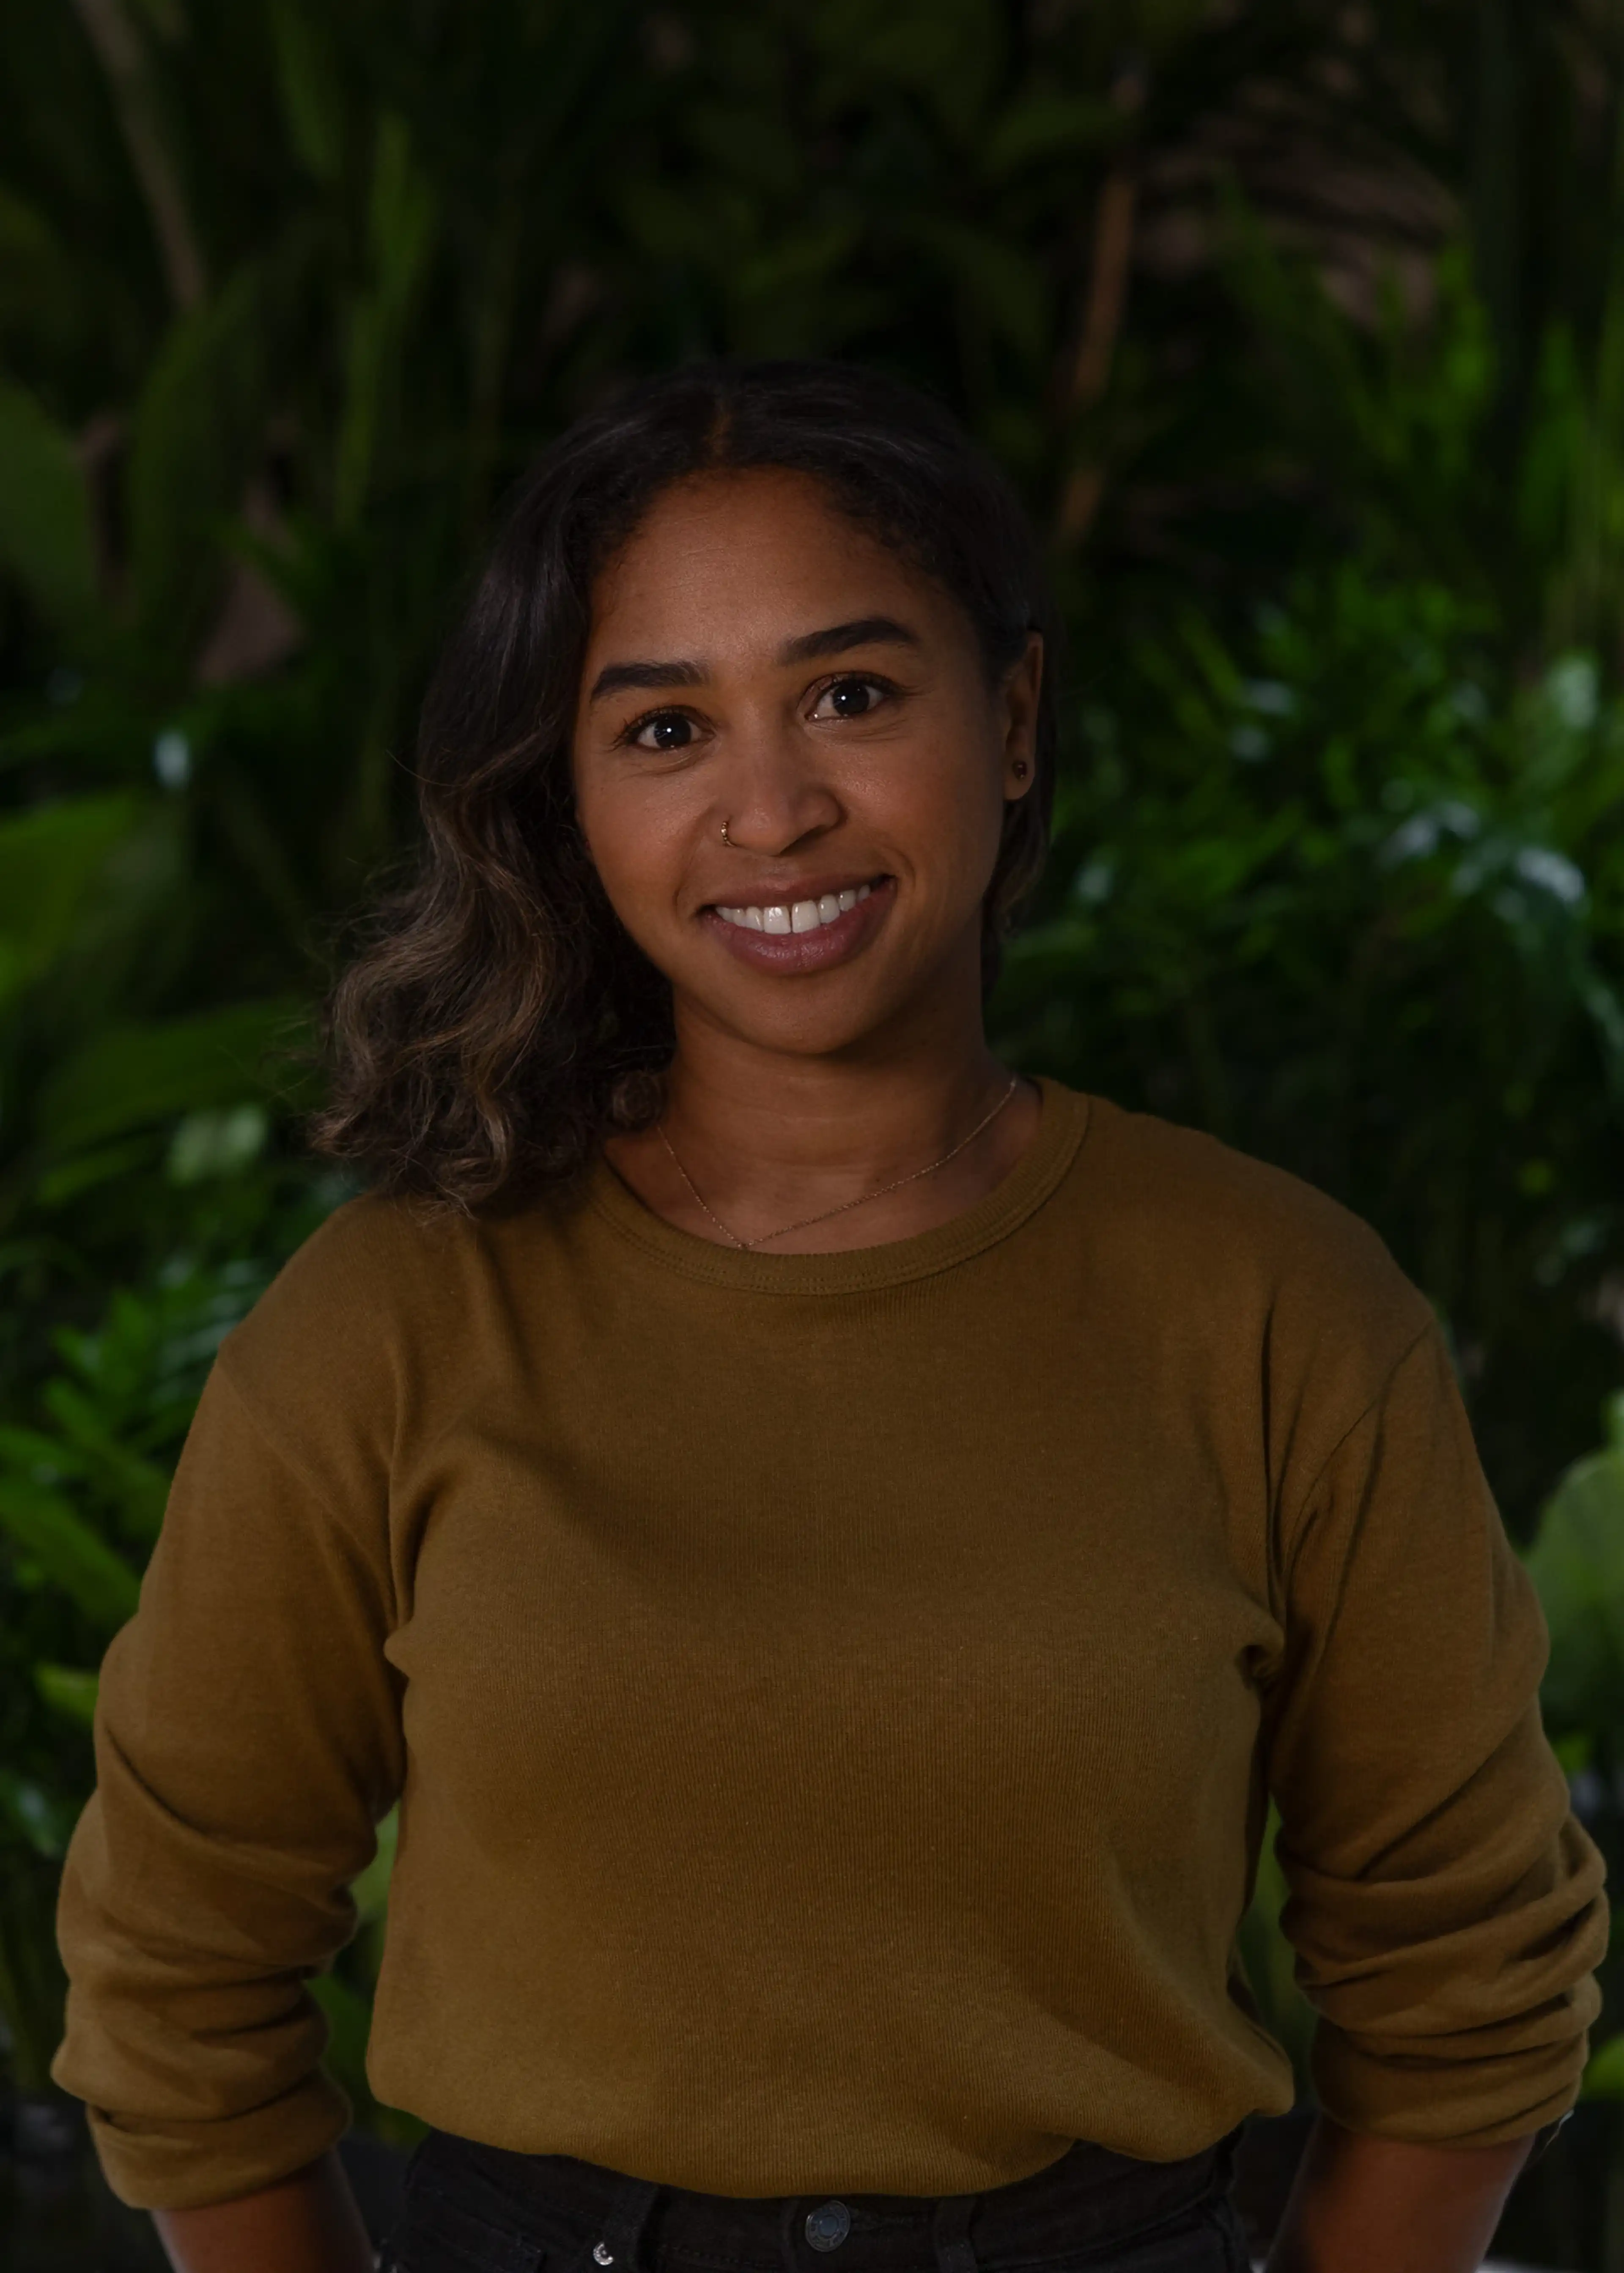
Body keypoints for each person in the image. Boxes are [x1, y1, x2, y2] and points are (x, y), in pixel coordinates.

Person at [52, 360, 1605, 2273]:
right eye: (663, 729)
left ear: (1013, 716)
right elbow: (176, 1967)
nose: (771, 808)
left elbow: (1471, 1982)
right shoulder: (397, 1318)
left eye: (851, 695)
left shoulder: (1280, 1303)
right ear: (571, 794)